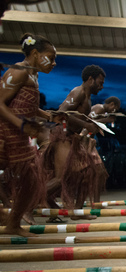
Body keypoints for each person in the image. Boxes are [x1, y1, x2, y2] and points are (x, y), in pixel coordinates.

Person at [0, 33, 56, 236]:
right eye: (51, 57)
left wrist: (48, 115)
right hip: (6, 132)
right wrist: (21, 125)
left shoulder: (34, 75)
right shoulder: (19, 70)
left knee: (31, 180)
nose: (54, 63)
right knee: (31, 178)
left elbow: (25, 104)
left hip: (19, 133)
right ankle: (12, 222)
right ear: (34, 53)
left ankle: (13, 223)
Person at [44, 64, 106, 218]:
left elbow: (78, 117)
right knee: (60, 179)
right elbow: (61, 112)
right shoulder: (78, 92)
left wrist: (93, 126)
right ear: (90, 79)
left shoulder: (87, 96)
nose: (102, 86)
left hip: (73, 138)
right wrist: (86, 125)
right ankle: (26, 203)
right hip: (63, 137)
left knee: (86, 173)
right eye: (100, 82)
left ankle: (75, 211)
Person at [88, 96, 121, 204]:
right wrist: (107, 120)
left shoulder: (102, 111)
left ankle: (96, 202)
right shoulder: (99, 108)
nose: (114, 111)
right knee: (97, 172)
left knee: (99, 173)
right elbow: (88, 122)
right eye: (115, 109)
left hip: (90, 141)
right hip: (85, 141)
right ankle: (94, 203)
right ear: (112, 104)